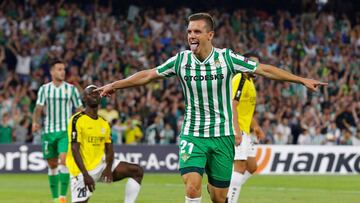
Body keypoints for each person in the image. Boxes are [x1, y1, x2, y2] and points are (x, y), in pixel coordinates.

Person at [95, 12, 327, 203]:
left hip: (222, 136)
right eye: (189, 32)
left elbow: (264, 69)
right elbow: (148, 75)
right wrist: (115, 85)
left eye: (197, 31)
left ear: (210, 34)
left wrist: (301, 79)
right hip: (193, 134)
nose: (191, 36)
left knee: (218, 197)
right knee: (193, 187)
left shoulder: (227, 59)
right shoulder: (180, 61)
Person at [66, 85, 143, 203]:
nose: (95, 95)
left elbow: (109, 149)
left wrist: (108, 168)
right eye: (91, 93)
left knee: (137, 171)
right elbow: (74, 149)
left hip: (100, 166)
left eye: (97, 93)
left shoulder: (104, 123)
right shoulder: (76, 120)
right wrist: (86, 175)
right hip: (81, 171)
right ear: (84, 99)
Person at [32, 60, 83, 203]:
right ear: (52, 72)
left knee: (64, 160)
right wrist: (35, 122)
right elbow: (38, 108)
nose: (62, 72)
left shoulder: (71, 89)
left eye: (63, 69)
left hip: (64, 131)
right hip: (48, 131)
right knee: (52, 164)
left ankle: (62, 197)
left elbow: (79, 108)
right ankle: (55, 197)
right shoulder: (44, 89)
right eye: (59, 69)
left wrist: (83, 123)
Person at [227, 53, 265, 202]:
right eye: (252, 63)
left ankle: (227, 191)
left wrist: (256, 127)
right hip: (238, 129)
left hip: (246, 131)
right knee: (240, 167)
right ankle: (229, 199)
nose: (255, 67)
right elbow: (232, 106)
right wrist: (237, 130)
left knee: (252, 167)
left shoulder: (249, 82)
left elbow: (245, 109)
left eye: (257, 64)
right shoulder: (240, 79)